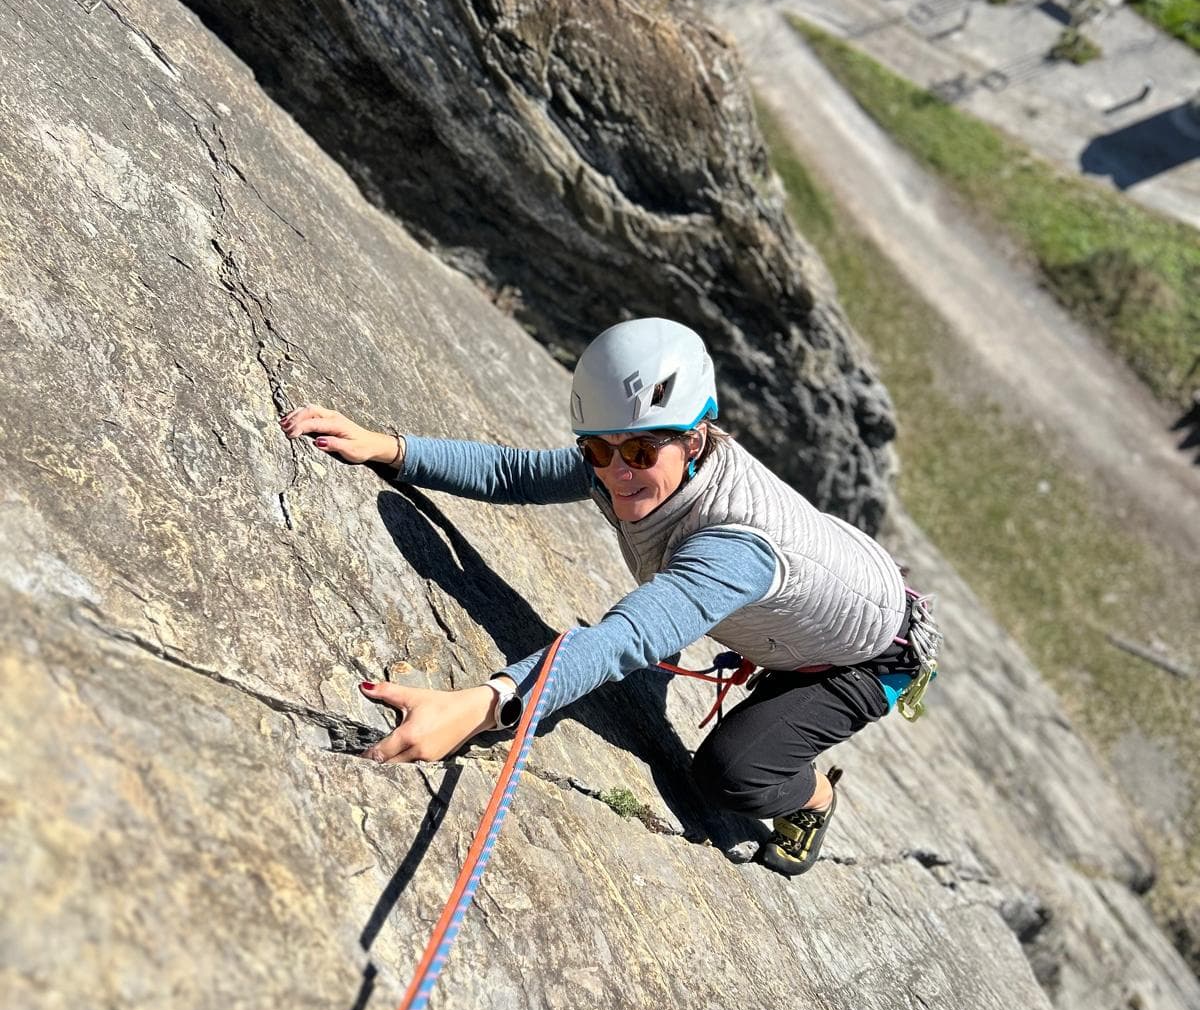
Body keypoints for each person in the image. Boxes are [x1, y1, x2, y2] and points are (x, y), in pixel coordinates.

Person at [280, 319, 940, 875]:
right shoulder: (631, 451)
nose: (618, 472)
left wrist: (485, 705)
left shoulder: (734, 547)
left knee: (729, 776)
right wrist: (391, 450)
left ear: (696, 434)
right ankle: (784, 677)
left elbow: (624, 640)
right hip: (812, 602)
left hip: (869, 657)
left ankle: (814, 796)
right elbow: (518, 473)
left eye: (640, 452)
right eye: (597, 448)